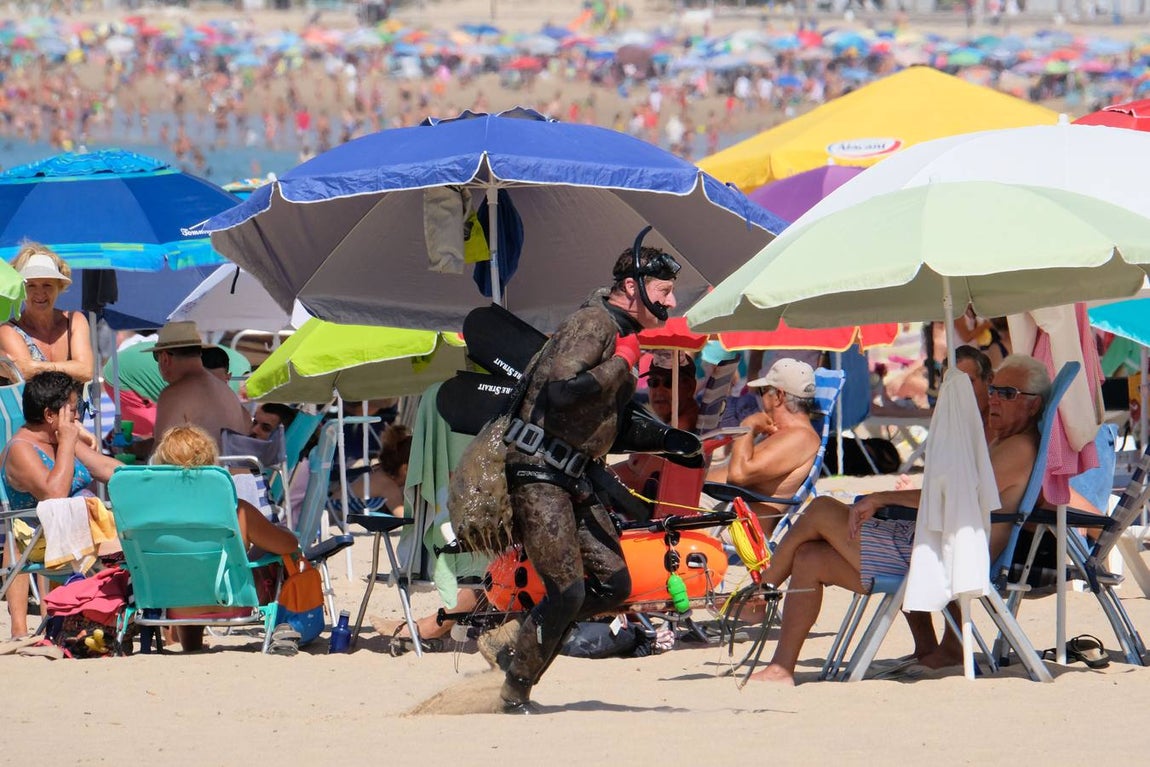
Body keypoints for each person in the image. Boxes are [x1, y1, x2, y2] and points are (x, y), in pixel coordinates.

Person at [750, 355, 1051, 684]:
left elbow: (952, 500)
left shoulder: (1018, 448)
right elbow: (951, 496)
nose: (994, 398)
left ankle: (759, 595)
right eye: (994, 390)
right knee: (810, 557)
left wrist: (883, 497)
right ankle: (781, 668)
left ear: (1033, 406)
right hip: (936, 544)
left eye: (1008, 394)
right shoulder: (999, 441)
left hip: (949, 556)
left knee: (821, 508)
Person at [480, 240, 680, 712]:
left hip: (575, 475)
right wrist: (624, 362)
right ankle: (514, 691)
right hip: (539, 470)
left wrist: (669, 439)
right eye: (666, 291)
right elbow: (561, 393)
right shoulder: (595, 324)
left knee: (613, 586)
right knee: (567, 591)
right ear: (632, 287)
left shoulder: (620, 332)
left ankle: (518, 641)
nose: (672, 302)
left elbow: (611, 421)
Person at [151, 425, 300, 652]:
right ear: (211, 466)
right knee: (282, 561)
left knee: (190, 573)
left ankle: (192, 645)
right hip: (232, 603)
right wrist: (288, 535)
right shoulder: (236, 510)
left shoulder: (152, 517)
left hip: (176, 605)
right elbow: (288, 545)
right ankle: (285, 632)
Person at [1, 372, 122, 637]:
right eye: (73, 409)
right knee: (133, 546)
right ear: (49, 415)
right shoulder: (21, 449)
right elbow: (54, 495)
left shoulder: (57, 438)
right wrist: (68, 441)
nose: (78, 416)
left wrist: (148, 477)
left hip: (79, 531)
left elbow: (102, 467)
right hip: (40, 538)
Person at [725, 358, 822, 536]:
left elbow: (737, 475)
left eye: (763, 391)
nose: (760, 398)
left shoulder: (800, 437)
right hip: (723, 510)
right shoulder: (788, 435)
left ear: (779, 396)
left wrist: (748, 426)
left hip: (735, 525)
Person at [133, 321, 249, 456]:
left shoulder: (174, 394)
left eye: (156, 357)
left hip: (209, 475)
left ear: (165, 358)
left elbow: (161, 454)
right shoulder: (226, 391)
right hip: (238, 474)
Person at [0, 243, 93, 383]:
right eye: (31, 285)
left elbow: (87, 371)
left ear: (59, 286)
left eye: (47, 285)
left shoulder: (75, 319)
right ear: (21, 289)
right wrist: (73, 367)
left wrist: (36, 366)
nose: (40, 293)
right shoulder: (8, 330)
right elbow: (24, 374)